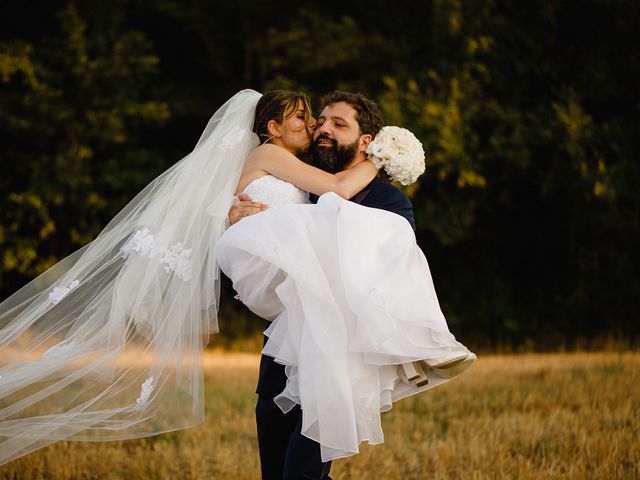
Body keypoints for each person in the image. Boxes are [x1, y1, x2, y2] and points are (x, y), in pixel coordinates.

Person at [218, 90, 475, 479]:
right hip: (281, 356)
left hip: (337, 360)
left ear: (366, 141)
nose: (321, 129)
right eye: (319, 121)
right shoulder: (299, 179)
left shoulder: (390, 202)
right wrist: (232, 213)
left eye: (338, 124)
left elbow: (388, 273)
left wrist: (382, 160)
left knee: (302, 474)